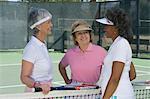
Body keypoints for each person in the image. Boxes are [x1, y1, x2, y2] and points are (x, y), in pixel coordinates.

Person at [96, 7, 136, 99]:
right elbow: (132, 74)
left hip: (118, 96)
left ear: (115, 28)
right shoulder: (117, 44)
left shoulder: (121, 44)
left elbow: (115, 79)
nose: (104, 28)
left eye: (107, 25)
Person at [59, 20, 107, 85]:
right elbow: (61, 66)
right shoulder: (70, 53)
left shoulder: (101, 51)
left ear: (90, 35)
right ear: (75, 38)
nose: (83, 36)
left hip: (95, 90)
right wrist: (67, 81)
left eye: (85, 32)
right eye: (79, 33)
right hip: (75, 91)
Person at [20, 7, 53, 94]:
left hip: (45, 93)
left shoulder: (42, 45)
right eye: (48, 22)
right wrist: (38, 85)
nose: (51, 25)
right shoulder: (32, 48)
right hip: (35, 94)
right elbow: (24, 77)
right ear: (38, 26)